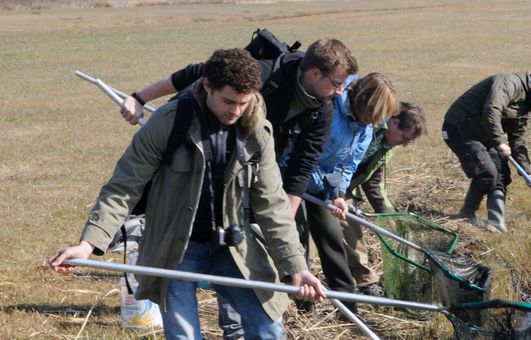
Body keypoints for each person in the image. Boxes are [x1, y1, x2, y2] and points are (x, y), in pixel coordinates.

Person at [48, 48, 325, 339]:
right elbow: (124, 186)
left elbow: (272, 203)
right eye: (228, 101)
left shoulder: (256, 128)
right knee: (183, 335)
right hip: (176, 246)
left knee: (267, 325)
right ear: (207, 86)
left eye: (244, 103)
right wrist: (88, 244)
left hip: (233, 245)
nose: (236, 111)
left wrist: (296, 266)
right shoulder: (170, 121)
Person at [121, 37, 358, 217]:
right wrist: (140, 98)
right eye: (337, 84)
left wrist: (286, 219)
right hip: (206, 141)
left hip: (256, 163)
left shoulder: (323, 108)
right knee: (161, 195)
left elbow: (303, 165)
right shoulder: (265, 72)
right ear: (315, 74)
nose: (340, 92)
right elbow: (198, 73)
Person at [298, 72, 399, 313]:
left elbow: (348, 164)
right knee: (299, 240)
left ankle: (348, 307)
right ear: (363, 101)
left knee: (332, 239)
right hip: (295, 182)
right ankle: (304, 303)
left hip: (322, 188)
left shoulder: (364, 127)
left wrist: (337, 194)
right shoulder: (329, 110)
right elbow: (302, 155)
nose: (376, 123)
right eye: (374, 115)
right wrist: (322, 185)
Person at [442, 68, 531, 233]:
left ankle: (496, 222)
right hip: (460, 129)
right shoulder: (509, 83)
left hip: (484, 134)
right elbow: (491, 110)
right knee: (487, 173)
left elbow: (518, 139)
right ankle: (467, 213)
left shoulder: (528, 102)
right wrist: (499, 142)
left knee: (502, 174)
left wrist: (527, 172)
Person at [342, 102, 427, 295]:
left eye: (408, 142)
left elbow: (373, 181)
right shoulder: (366, 126)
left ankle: (364, 282)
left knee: (351, 228)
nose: (403, 145)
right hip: (324, 178)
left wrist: (390, 217)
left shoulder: (390, 142)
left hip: (344, 188)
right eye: (404, 139)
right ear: (394, 123)